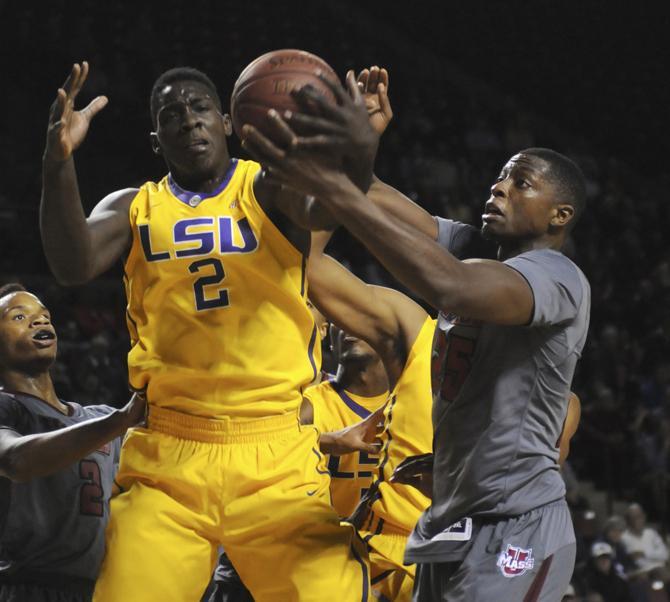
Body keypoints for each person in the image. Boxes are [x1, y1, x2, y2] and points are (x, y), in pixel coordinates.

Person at [241, 72, 591, 601]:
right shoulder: (478, 246)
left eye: (521, 183)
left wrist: (335, 186)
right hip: (452, 518)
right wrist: (355, 144)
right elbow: (375, 196)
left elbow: (448, 285)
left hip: (515, 524)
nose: (498, 188)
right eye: (500, 178)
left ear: (559, 215)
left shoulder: (556, 277)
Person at [40, 62, 379, 602]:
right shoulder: (134, 207)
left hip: (276, 453)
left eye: (199, 109)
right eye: (171, 116)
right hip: (169, 454)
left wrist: (360, 148)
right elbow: (70, 263)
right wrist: (58, 162)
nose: (189, 122)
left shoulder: (267, 188)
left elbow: (336, 202)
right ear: (156, 140)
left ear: (226, 121)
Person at [0, 283, 144, 602]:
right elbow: (14, 460)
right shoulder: (8, 407)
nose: (40, 322)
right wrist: (120, 420)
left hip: (97, 589)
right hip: (24, 587)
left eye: (44, 316)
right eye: (19, 316)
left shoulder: (100, 418)